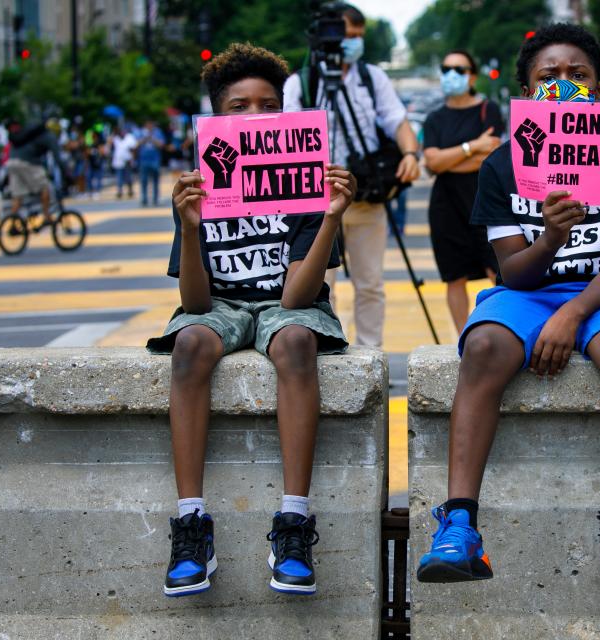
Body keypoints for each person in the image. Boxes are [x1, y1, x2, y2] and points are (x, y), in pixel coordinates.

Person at [415, 23, 600, 598]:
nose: (563, 85)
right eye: (547, 77)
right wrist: (552, 236)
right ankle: (459, 523)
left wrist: (574, 313)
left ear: (599, 89)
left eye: (577, 75)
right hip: (527, 293)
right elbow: (513, 273)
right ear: (527, 95)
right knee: (482, 347)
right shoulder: (503, 166)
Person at [145, 42, 355, 598]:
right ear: (216, 117)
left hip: (285, 300)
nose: (255, 116)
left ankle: (293, 522)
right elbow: (194, 303)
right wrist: (189, 226)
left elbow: (294, 298)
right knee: (189, 343)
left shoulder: (307, 182)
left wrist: (331, 218)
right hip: (220, 304)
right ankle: (191, 524)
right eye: (239, 106)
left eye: (269, 104)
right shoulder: (201, 182)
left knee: (294, 343)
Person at [283, 3, 421, 348]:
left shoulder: (372, 77)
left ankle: (371, 354)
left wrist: (410, 153)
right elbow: (287, 135)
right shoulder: (302, 82)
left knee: (370, 283)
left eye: (359, 36)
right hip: (316, 200)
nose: (352, 42)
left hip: (366, 196)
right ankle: (327, 349)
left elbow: (396, 119)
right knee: (319, 285)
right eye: (346, 35)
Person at [423, 50, 502, 334]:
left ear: (473, 75)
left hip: (485, 202)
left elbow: (491, 154)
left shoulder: (488, 109)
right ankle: (463, 339)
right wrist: (472, 147)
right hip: (446, 207)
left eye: (459, 68)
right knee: (454, 277)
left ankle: (501, 330)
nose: (451, 74)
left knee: (498, 271)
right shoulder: (435, 118)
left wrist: (450, 158)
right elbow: (432, 163)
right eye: (446, 69)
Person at [5, 120, 64, 223]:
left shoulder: (30, 135)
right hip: (26, 162)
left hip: (11, 161)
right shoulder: (49, 136)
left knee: (18, 195)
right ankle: (47, 216)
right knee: (45, 187)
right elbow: (57, 159)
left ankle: (13, 224)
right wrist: (67, 173)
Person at [137, 120, 165, 206]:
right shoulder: (141, 132)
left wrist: (152, 138)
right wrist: (145, 138)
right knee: (144, 180)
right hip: (143, 160)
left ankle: (155, 198)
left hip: (155, 160)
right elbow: (136, 144)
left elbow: (161, 145)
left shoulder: (158, 132)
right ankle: (144, 198)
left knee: (155, 180)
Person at [109, 126, 137, 199]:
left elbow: (133, 149)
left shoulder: (129, 137)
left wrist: (132, 159)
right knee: (119, 177)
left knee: (128, 177)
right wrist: (112, 135)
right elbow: (109, 143)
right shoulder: (116, 138)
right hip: (118, 161)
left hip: (127, 160)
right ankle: (119, 191)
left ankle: (130, 190)